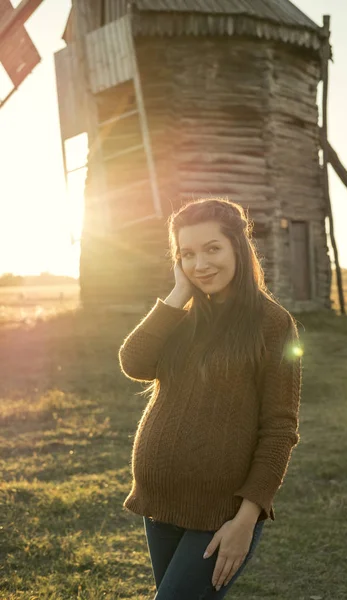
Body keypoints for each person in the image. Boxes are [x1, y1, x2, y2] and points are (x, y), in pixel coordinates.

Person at [118, 197, 302, 598]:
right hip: (159, 503)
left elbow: (279, 428)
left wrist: (246, 520)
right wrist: (176, 294)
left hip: (220, 514)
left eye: (213, 249)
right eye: (187, 254)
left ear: (238, 246)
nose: (200, 264)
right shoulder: (181, 318)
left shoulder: (272, 324)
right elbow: (134, 362)